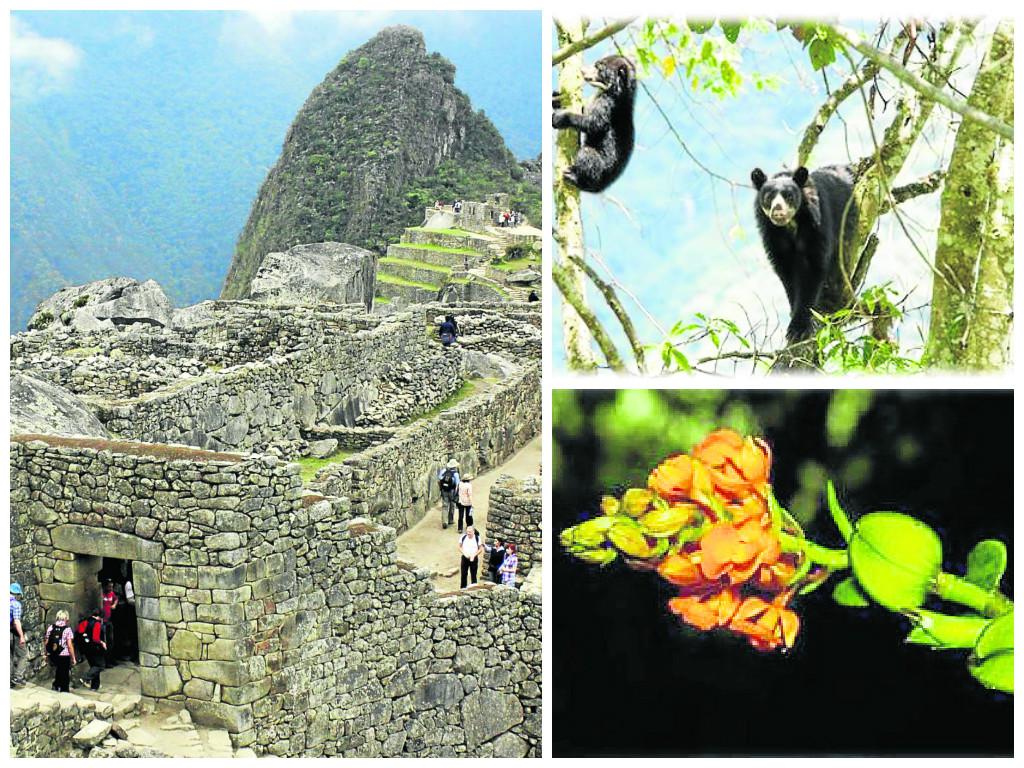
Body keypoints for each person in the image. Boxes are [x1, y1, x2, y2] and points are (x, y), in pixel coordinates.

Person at [44, 610, 76, 693]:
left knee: (58, 669)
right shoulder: (67, 629)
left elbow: (47, 641)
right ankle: (64, 690)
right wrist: (73, 657)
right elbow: (69, 645)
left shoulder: (51, 627)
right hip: (64, 654)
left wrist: (46, 654)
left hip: (53, 653)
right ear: (66, 618)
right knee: (64, 672)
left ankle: (56, 685)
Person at [77, 608, 107, 691]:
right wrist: (102, 643)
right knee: (100, 666)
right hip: (95, 648)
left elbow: (79, 632)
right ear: (99, 616)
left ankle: (94, 686)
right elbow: (96, 638)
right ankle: (85, 678)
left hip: (85, 648)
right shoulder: (97, 624)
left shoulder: (84, 621)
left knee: (94, 667)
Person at [10, 583, 28, 687]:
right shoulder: (15, 604)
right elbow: (16, 621)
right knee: (23, 655)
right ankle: (17, 677)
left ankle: (9, 679)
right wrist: (21, 636)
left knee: (9, 657)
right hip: (13, 632)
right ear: (16, 593)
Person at [438, 460, 460, 529]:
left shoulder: (444, 471)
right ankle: (450, 520)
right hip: (452, 491)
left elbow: (439, 479)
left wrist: (441, 489)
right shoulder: (455, 474)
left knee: (445, 505)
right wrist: (457, 493)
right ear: (455, 466)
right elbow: (457, 484)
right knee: (452, 505)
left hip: (444, 491)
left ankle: (445, 521)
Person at [100, 580, 118, 660]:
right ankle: (105, 660)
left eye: (112, 586)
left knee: (111, 640)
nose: (111, 588)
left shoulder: (112, 593)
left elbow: (116, 599)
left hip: (109, 620)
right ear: (105, 587)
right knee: (104, 640)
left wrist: (114, 604)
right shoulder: (101, 594)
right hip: (102, 621)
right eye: (109, 587)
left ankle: (110, 659)